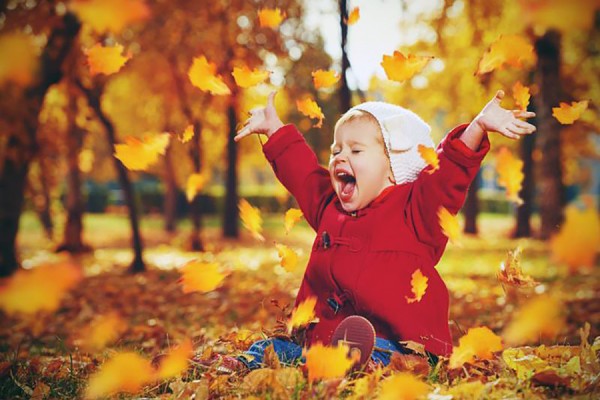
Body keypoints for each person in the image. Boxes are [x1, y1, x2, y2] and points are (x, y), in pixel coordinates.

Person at [219, 90, 535, 373]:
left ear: (394, 167)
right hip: (322, 339)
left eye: (356, 151)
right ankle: (249, 362)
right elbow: (302, 174)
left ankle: (359, 366)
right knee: (273, 349)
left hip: (398, 343)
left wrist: (477, 128)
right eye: (336, 150)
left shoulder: (416, 211)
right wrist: (274, 130)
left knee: (381, 355)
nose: (340, 156)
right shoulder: (330, 207)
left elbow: (447, 175)